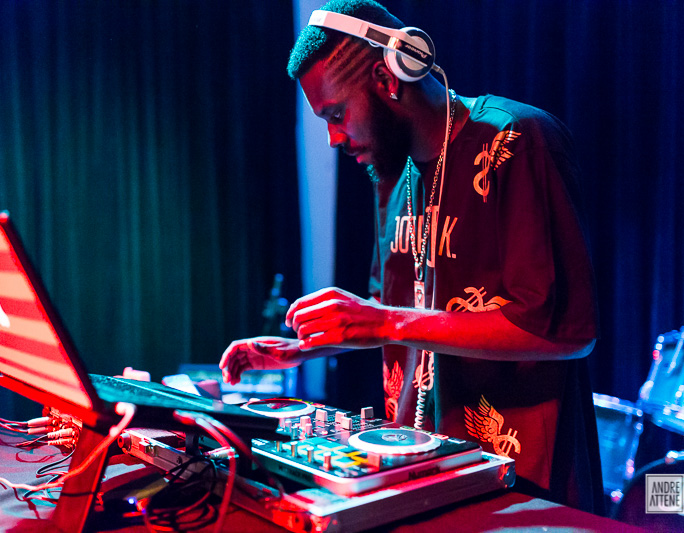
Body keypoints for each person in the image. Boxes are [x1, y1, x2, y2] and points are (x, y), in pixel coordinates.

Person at [220, 0, 603, 514]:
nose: (334, 138)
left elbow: (565, 330)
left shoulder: (517, 140)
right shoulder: (393, 176)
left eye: (336, 114)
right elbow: (401, 317)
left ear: (388, 77)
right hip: (419, 469)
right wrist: (305, 348)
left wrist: (385, 321)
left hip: (519, 484)